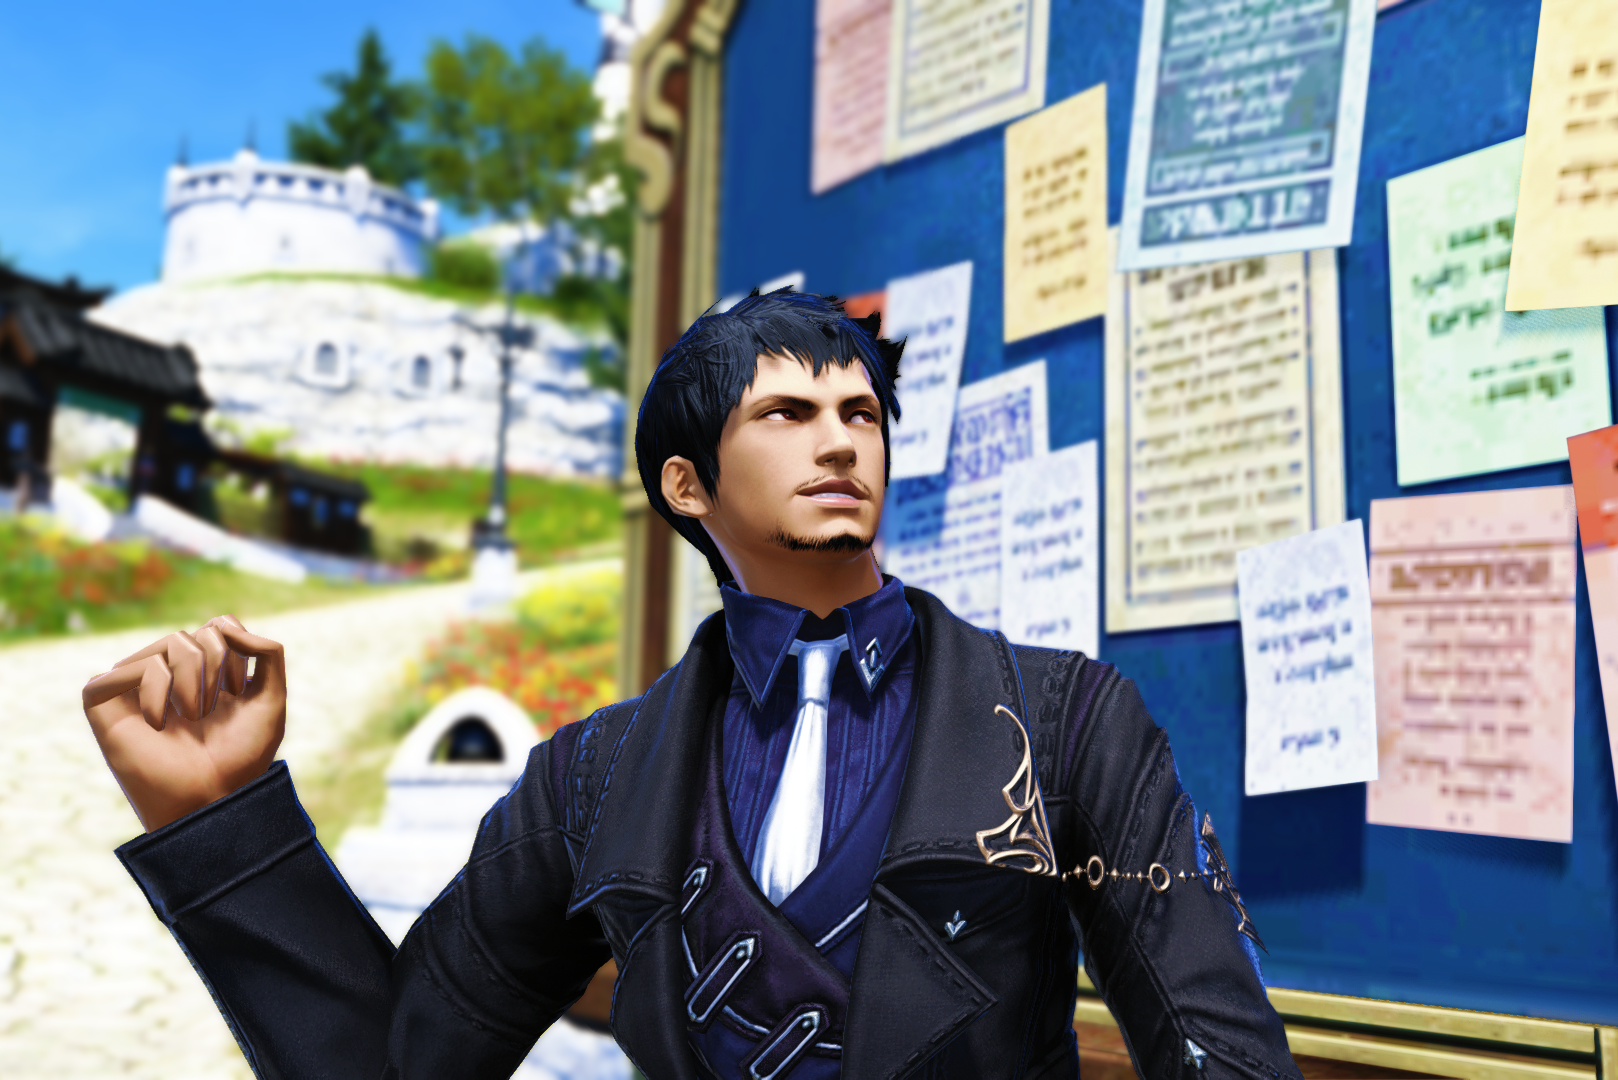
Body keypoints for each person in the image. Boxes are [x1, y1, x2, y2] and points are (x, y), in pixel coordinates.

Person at [81, 289, 1298, 1080]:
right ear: (685, 485)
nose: (839, 439)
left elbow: (1220, 1052)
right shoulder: (591, 779)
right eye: (787, 411)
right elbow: (398, 1066)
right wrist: (221, 823)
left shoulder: (1068, 721)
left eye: (861, 412)